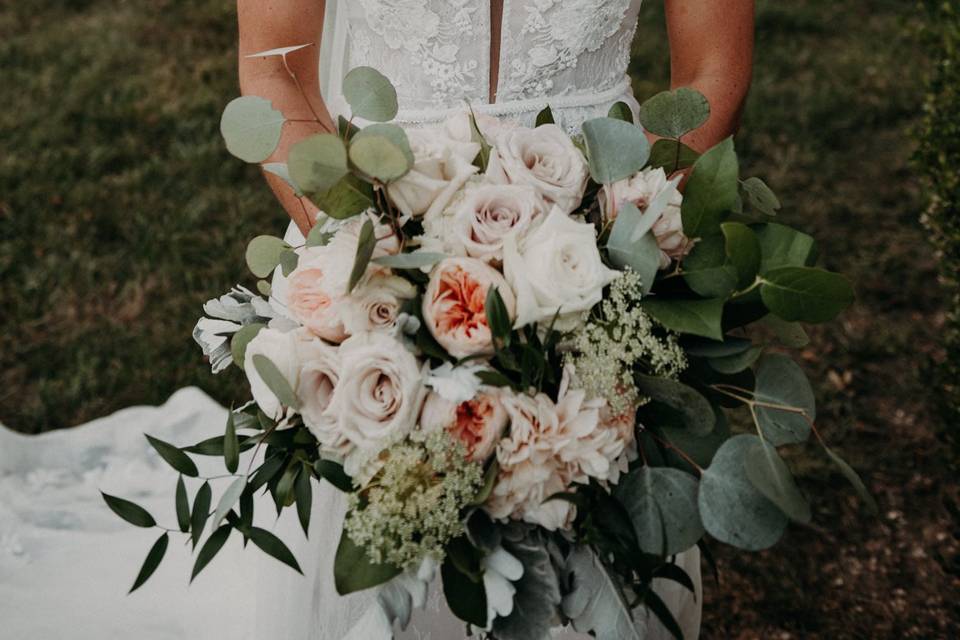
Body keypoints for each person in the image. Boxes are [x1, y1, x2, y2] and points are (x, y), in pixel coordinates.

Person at [236, 2, 755, 638]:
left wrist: (624, 235)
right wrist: (369, 261)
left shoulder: (608, 250)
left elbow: (712, 65)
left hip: (596, 252)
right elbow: (273, 68)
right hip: (377, 228)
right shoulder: (368, 256)